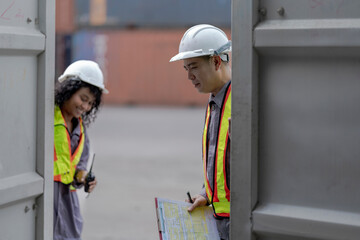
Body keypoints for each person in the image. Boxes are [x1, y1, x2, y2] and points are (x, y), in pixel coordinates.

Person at [170, 24, 232, 240]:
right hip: (220, 221)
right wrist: (206, 195)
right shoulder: (214, 101)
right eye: (186, 69)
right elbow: (223, 161)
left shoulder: (242, 102)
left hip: (239, 223)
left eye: (194, 67)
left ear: (216, 61)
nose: (189, 76)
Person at [53, 60, 108, 240]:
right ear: (68, 90)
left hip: (68, 207)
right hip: (46, 201)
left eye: (90, 103)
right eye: (83, 99)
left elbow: (78, 170)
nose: (85, 107)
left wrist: (84, 178)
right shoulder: (46, 119)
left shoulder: (81, 131)